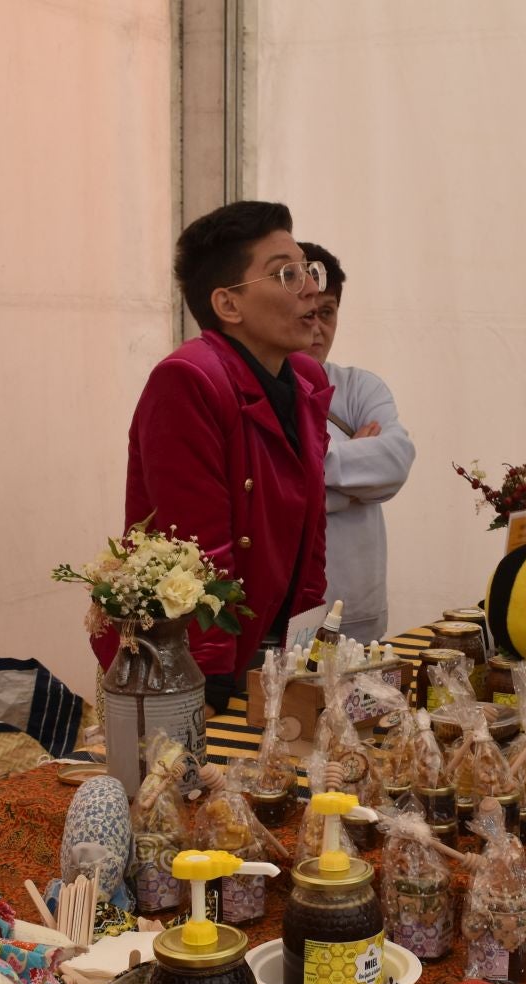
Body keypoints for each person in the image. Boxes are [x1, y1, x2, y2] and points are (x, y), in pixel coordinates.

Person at [96, 201, 332, 710]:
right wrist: (211, 682)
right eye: (286, 274)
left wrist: (306, 650)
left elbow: (312, 529)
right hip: (191, 656)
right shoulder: (189, 379)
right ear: (228, 305)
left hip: (273, 646)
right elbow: (199, 549)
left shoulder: (308, 379)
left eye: (308, 269)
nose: (312, 286)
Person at [298, 242, 417, 643]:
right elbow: (271, 492)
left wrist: (309, 469)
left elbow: (396, 461)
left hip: (357, 611)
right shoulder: (254, 392)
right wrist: (354, 488)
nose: (317, 327)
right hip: (287, 615)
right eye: (307, 313)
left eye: (327, 313)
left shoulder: (360, 386)